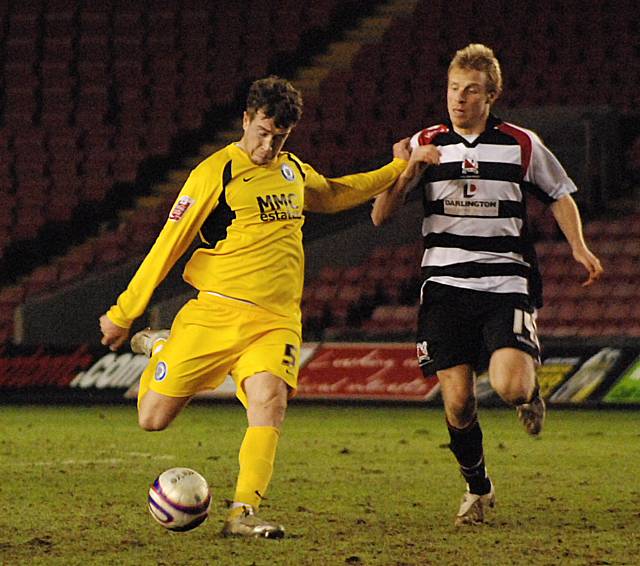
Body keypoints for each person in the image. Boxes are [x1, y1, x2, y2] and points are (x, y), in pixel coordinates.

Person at [99, 76, 408, 539]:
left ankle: (242, 512)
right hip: (215, 314)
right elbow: (168, 245)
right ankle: (161, 348)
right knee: (152, 419)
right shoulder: (214, 173)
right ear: (246, 120)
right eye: (262, 132)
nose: (268, 145)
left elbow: (337, 193)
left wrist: (395, 169)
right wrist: (125, 313)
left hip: (276, 321)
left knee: (270, 402)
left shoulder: (292, 172)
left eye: (279, 137)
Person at [371, 44, 603, 527]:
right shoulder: (425, 142)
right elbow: (380, 214)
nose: (458, 99)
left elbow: (560, 194)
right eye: (454, 88)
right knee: (457, 402)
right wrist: (412, 167)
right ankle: (478, 488)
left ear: (491, 95)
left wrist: (578, 246)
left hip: (504, 279)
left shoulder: (521, 144)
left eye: (471, 90)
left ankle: (530, 395)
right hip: (444, 284)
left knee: (510, 386)